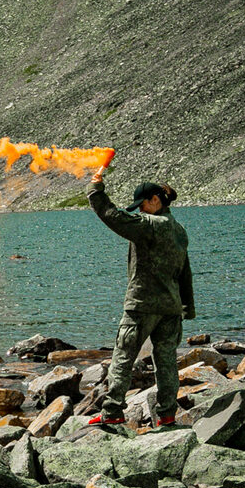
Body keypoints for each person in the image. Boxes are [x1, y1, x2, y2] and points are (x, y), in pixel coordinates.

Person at [85, 168, 195, 427]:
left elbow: (114, 217)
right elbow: (185, 271)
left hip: (142, 305)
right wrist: (187, 307)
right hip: (171, 307)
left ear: (156, 199)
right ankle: (167, 414)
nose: (140, 211)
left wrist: (95, 190)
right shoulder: (179, 230)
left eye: (143, 205)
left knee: (123, 355)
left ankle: (112, 412)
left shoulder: (150, 225)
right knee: (166, 361)